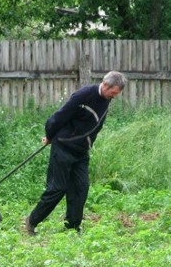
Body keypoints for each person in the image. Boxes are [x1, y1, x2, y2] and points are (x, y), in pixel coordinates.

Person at [25, 71, 127, 235]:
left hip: (81, 152)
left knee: (81, 188)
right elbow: (60, 116)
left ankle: (72, 227)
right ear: (105, 85)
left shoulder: (106, 99)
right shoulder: (84, 95)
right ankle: (31, 222)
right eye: (113, 93)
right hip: (64, 146)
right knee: (57, 188)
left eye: (116, 94)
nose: (114, 96)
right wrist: (50, 135)